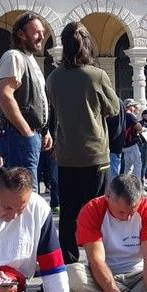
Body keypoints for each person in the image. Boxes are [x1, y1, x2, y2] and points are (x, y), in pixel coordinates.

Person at [46, 21, 120, 264]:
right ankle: (97, 261)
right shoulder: (96, 75)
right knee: (96, 210)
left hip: (66, 154)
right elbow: (114, 108)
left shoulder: (54, 77)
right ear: (87, 45)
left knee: (68, 213)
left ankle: (68, 261)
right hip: (94, 154)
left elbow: (54, 111)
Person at [0, 12, 51, 187]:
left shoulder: (29, 59)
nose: (42, 36)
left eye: (42, 32)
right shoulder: (14, 56)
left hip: (28, 135)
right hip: (18, 135)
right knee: (25, 192)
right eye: (36, 32)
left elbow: (38, 100)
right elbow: (4, 95)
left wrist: (44, 130)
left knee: (27, 191)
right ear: (21, 34)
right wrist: (26, 130)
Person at [120, 99, 145, 177]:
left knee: (128, 167)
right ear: (130, 106)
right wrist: (145, 129)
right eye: (134, 106)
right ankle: (137, 186)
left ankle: (125, 185)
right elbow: (139, 128)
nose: (134, 108)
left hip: (124, 144)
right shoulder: (129, 115)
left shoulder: (121, 115)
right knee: (138, 165)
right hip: (132, 144)